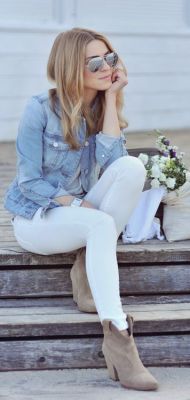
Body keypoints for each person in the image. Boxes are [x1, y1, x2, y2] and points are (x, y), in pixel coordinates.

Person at [4, 27, 158, 391]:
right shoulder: (39, 109)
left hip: (81, 216)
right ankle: (120, 338)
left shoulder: (101, 106)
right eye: (95, 62)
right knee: (101, 224)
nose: (106, 66)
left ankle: (87, 269)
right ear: (71, 67)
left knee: (133, 167)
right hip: (37, 218)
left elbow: (113, 163)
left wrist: (111, 99)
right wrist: (77, 203)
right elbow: (29, 182)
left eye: (111, 58)